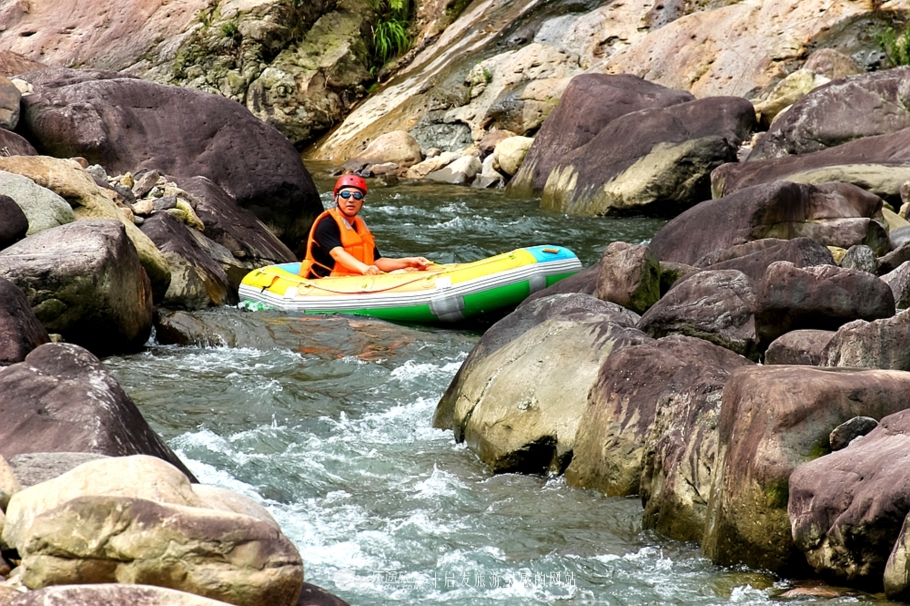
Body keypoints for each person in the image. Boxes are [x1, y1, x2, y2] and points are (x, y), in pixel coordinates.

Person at [299, 175, 432, 278]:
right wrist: (363, 268)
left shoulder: (359, 224)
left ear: (362, 201)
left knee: (407, 271)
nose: (351, 200)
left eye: (357, 196)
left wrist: (408, 261)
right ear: (336, 198)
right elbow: (338, 254)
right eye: (345, 195)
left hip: (353, 278)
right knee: (397, 275)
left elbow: (377, 261)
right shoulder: (327, 224)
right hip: (324, 281)